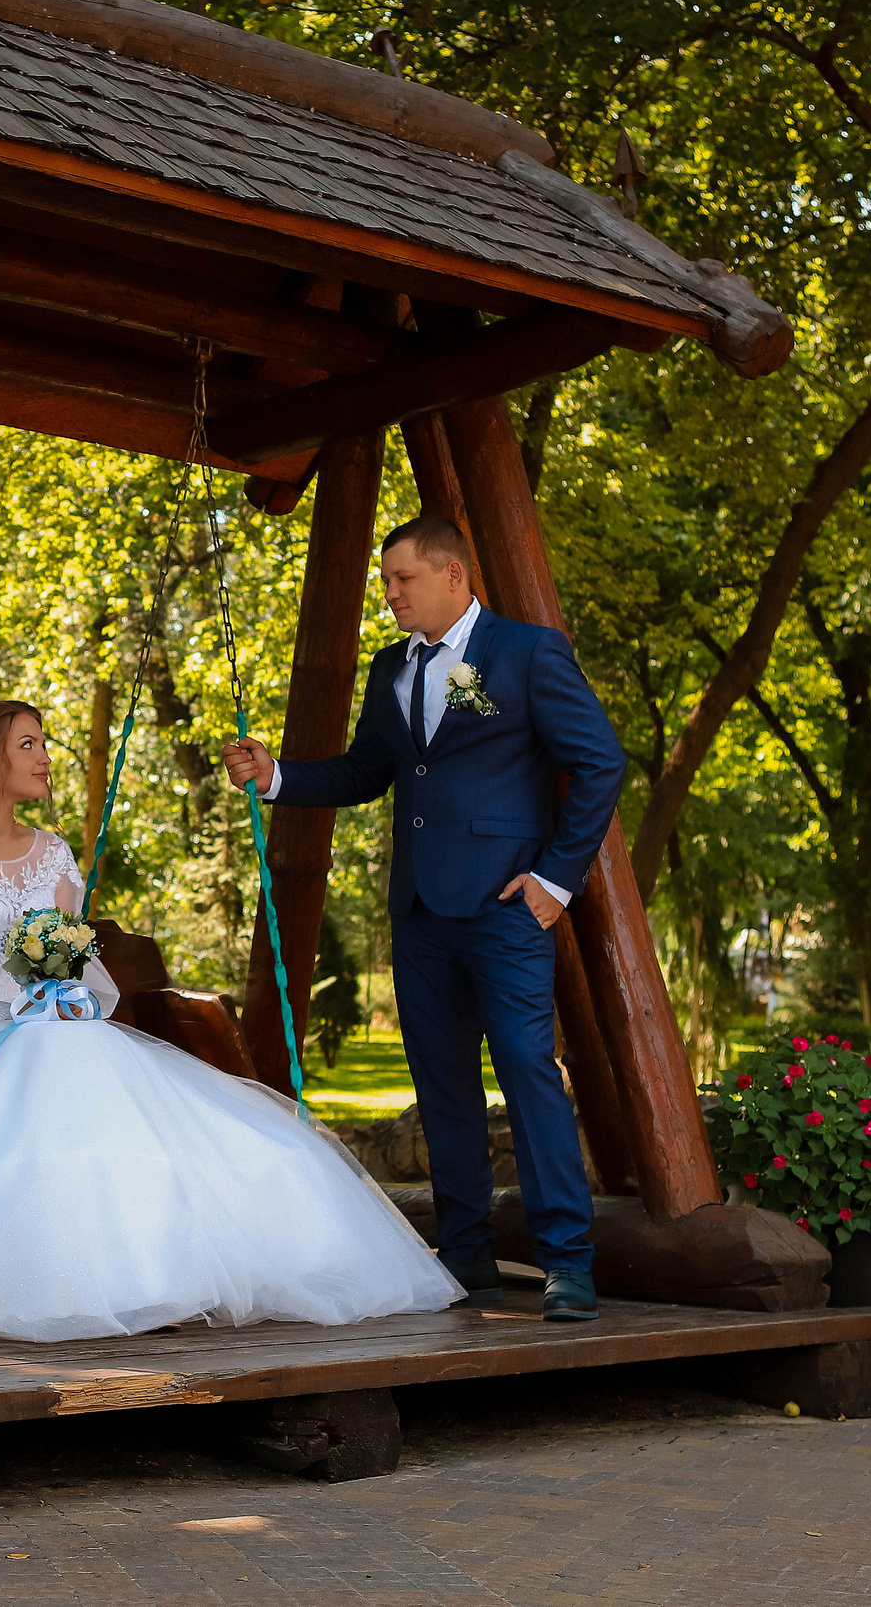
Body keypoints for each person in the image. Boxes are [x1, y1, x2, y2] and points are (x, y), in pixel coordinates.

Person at [0, 697, 461, 1349]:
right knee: (25, 1076)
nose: (47, 758)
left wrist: (52, 994)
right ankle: (35, 1281)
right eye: (29, 745)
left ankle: (155, 1273)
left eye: (45, 743)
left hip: (47, 1032)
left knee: (104, 1073)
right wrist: (4, 999)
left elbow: (72, 961)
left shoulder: (50, 854)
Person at [221, 515, 624, 1322]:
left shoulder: (528, 652)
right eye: (386, 582)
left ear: (454, 575)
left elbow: (600, 760)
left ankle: (566, 1263)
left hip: (509, 906)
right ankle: (466, 1252)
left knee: (528, 1073)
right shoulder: (389, 668)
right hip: (420, 911)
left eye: (403, 579)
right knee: (443, 1086)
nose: (391, 594)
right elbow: (369, 770)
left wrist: (556, 879)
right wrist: (276, 777)